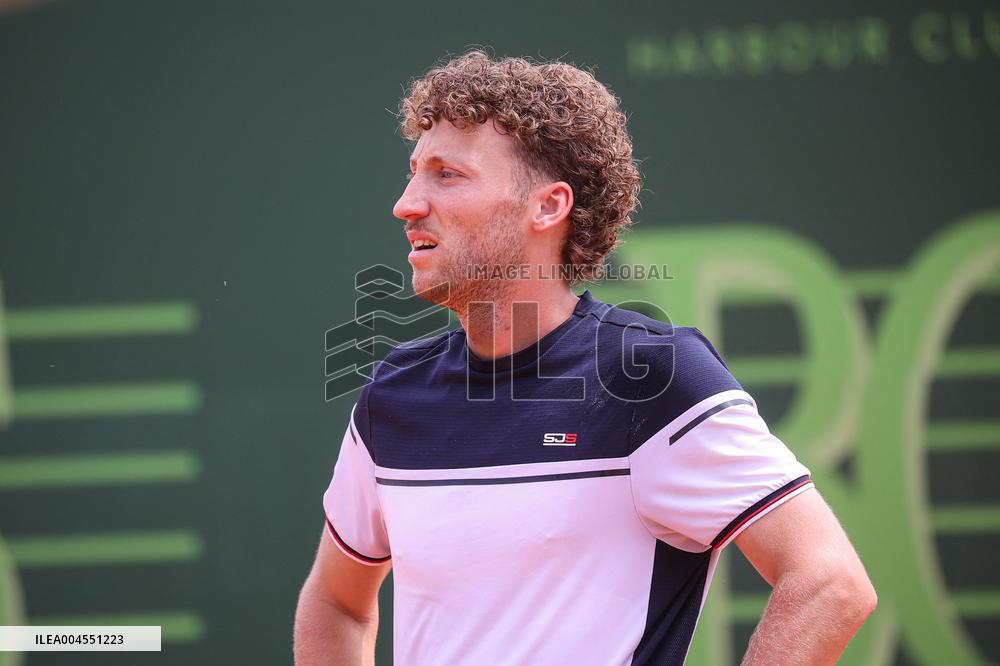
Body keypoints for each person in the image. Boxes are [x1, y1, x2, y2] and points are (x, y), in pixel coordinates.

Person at [294, 50, 877, 665]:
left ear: (548, 206)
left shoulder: (653, 380)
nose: (407, 203)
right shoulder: (393, 395)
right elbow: (336, 602)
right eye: (415, 172)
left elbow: (829, 583)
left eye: (448, 174)